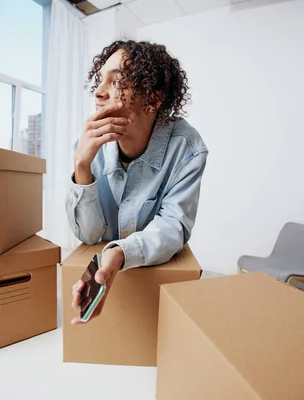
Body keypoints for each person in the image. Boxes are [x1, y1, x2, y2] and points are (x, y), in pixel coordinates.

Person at [65, 40, 208, 324]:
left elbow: (173, 226)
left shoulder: (188, 149)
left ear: (153, 99)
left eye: (116, 81)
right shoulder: (87, 146)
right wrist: (81, 165)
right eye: (99, 79)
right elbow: (90, 236)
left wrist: (120, 253)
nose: (98, 92)